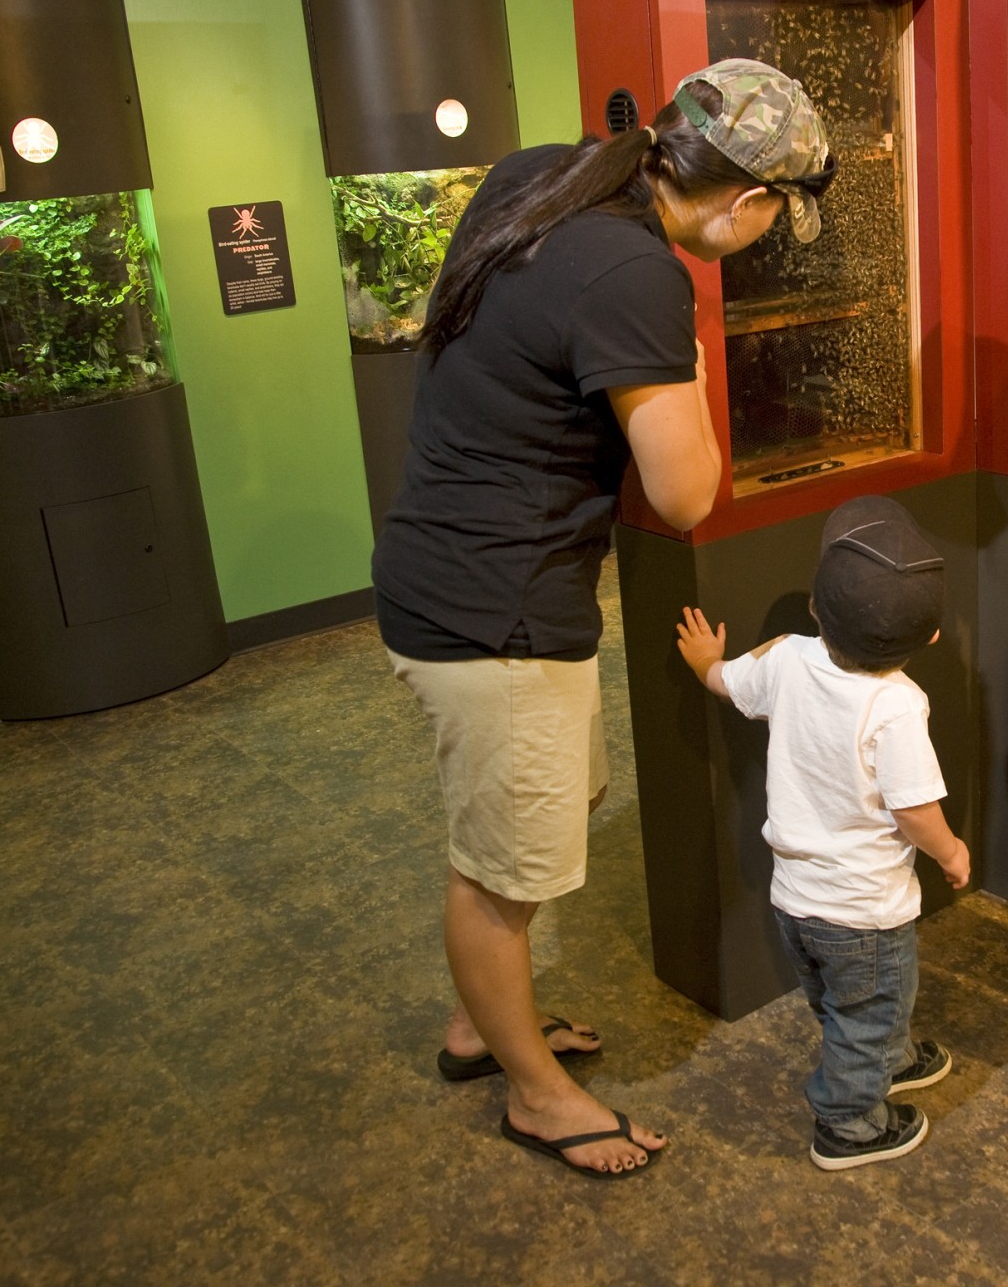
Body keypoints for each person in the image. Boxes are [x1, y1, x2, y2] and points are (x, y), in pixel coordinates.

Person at [372, 59, 836, 1179]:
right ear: (749, 201)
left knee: (531, 823)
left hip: (450, 568)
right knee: (503, 865)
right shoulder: (636, 271)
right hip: (497, 605)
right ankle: (535, 1095)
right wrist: (685, 352)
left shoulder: (547, 175)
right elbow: (686, 492)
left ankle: (488, 1024)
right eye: (776, 217)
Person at [672, 496, 970, 1171]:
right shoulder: (897, 706)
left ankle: (888, 1057)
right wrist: (950, 852)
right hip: (865, 913)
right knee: (869, 1011)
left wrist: (704, 663)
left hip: (794, 901)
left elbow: (727, 684)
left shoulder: (787, 658)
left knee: (848, 1007)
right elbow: (915, 810)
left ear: (814, 608)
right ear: (928, 638)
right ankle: (849, 1124)